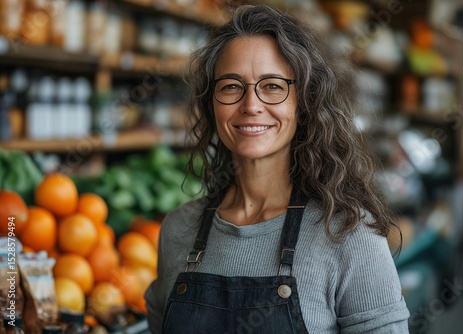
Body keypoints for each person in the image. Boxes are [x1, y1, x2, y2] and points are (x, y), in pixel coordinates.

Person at [145, 4, 410, 333]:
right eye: (230, 86)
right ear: (210, 103)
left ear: (304, 102)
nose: (251, 105)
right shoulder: (178, 230)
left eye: (272, 86)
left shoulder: (348, 233)